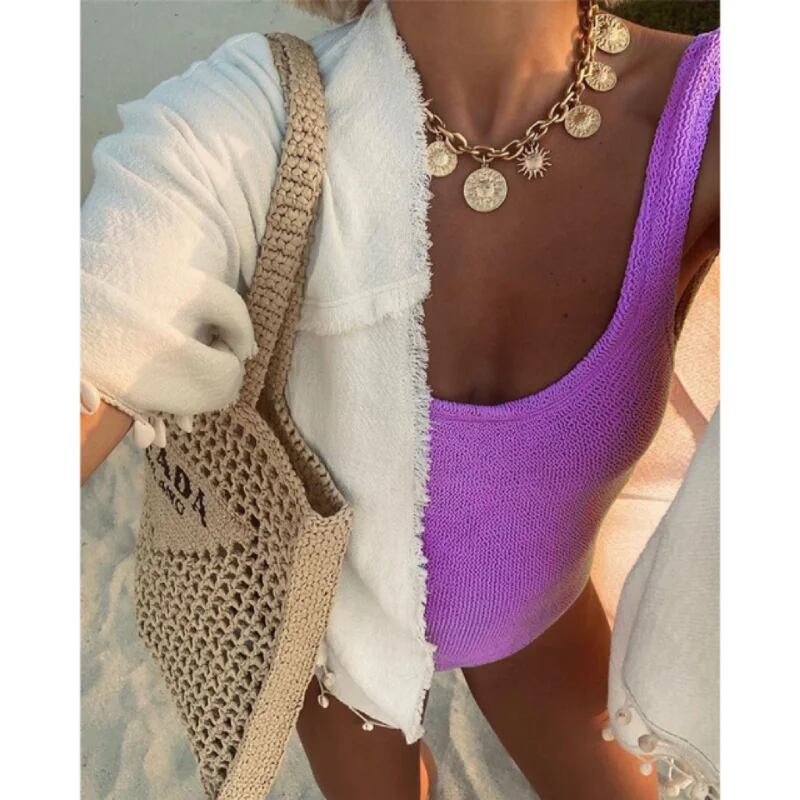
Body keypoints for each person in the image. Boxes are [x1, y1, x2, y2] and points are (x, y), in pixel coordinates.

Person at [80, 1, 719, 798]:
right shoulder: (249, 121)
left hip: (541, 619)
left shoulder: (710, 117)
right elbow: (102, 312)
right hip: (338, 637)